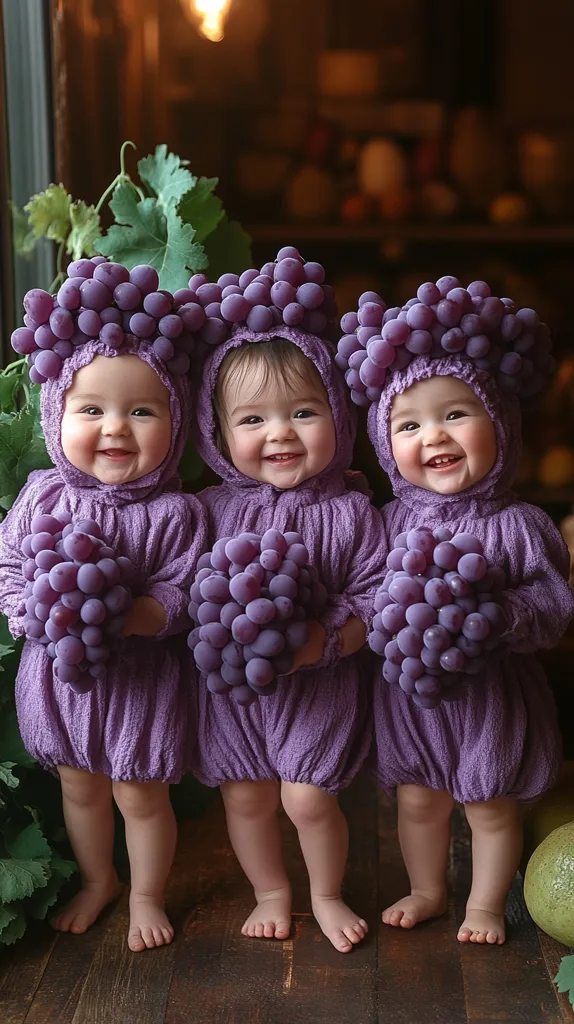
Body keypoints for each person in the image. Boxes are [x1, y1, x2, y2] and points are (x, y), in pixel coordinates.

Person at [340, 280, 574, 945]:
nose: (432, 436)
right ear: (386, 448)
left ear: (500, 422)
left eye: (455, 415)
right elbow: (368, 593)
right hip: (412, 702)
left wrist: (500, 615)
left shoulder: (520, 525)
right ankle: (428, 889)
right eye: (408, 425)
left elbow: (555, 605)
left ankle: (485, 906)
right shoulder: (385, 523)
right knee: (417, 800)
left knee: (490, 805)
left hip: (491, 700)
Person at [0, 265, 207, 952]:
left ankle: (146, 892)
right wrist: (32, 608)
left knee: (139, 793)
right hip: (60, 681)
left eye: (142, 411)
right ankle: (100, 880)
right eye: (91, 410)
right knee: (79, 788)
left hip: (140, 684)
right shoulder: (42, 497)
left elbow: (186, 593)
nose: (115, 428)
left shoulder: (177, 513)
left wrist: (138, 614)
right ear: (58, 414)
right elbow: (9, 567)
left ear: (176, 424)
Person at [189, 281, 385, 953]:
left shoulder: (354, 512)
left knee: (305, 798)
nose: (279, 433)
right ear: (216, 433)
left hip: (318, 683)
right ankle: (271, 892)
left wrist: (325, 639)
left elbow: (374, 598)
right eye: (252, 420)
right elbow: (191, 591)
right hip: (233, 694)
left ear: (339, 414)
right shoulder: (210, 509)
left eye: (303, 411)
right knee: (244, 795)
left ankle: (326, 893)